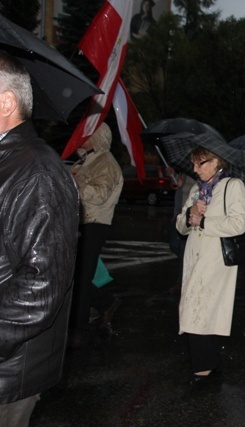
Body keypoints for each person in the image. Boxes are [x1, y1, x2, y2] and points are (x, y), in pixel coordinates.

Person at [0, 50, 79, 425]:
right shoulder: (10, 163)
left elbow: (43, 284)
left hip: (9, 370)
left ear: (6, 102)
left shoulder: (37, 173)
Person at [176, 146, 245, 385]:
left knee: (195, 309)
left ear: (217, 161)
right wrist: (190, 214)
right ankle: (212, 362)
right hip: (194, 256)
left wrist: (205, 221)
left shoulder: (232, 186)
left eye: (201, 163)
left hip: (216, 258)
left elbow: (239, 224)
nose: (195, 170)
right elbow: (180, 226)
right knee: (198, 308)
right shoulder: (197, 189)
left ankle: (202, 368)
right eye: (193, 165)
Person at [69, 123, 124, 347]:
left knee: (81, 277)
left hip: (94, 223)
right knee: (75, 275)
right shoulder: (83, 160)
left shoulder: (107, 162)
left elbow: (100, 194)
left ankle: (78, 328)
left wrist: (74, 184)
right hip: (79, 223)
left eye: (88, 131)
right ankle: (105, 302)